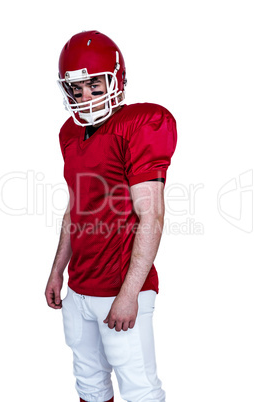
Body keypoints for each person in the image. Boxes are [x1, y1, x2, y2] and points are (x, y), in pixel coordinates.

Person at [45, 30, 177, 402]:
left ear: (115, 80)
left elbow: (151, 216)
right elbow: (76, 208)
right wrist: (58, 270)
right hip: (80, 285)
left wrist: (130, 293)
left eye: (93, 86)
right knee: (88, 381)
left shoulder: (140, 124)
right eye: (77, 89)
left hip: (120, 287)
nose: (85, 97)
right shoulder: (70, 134)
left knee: (139, 388)